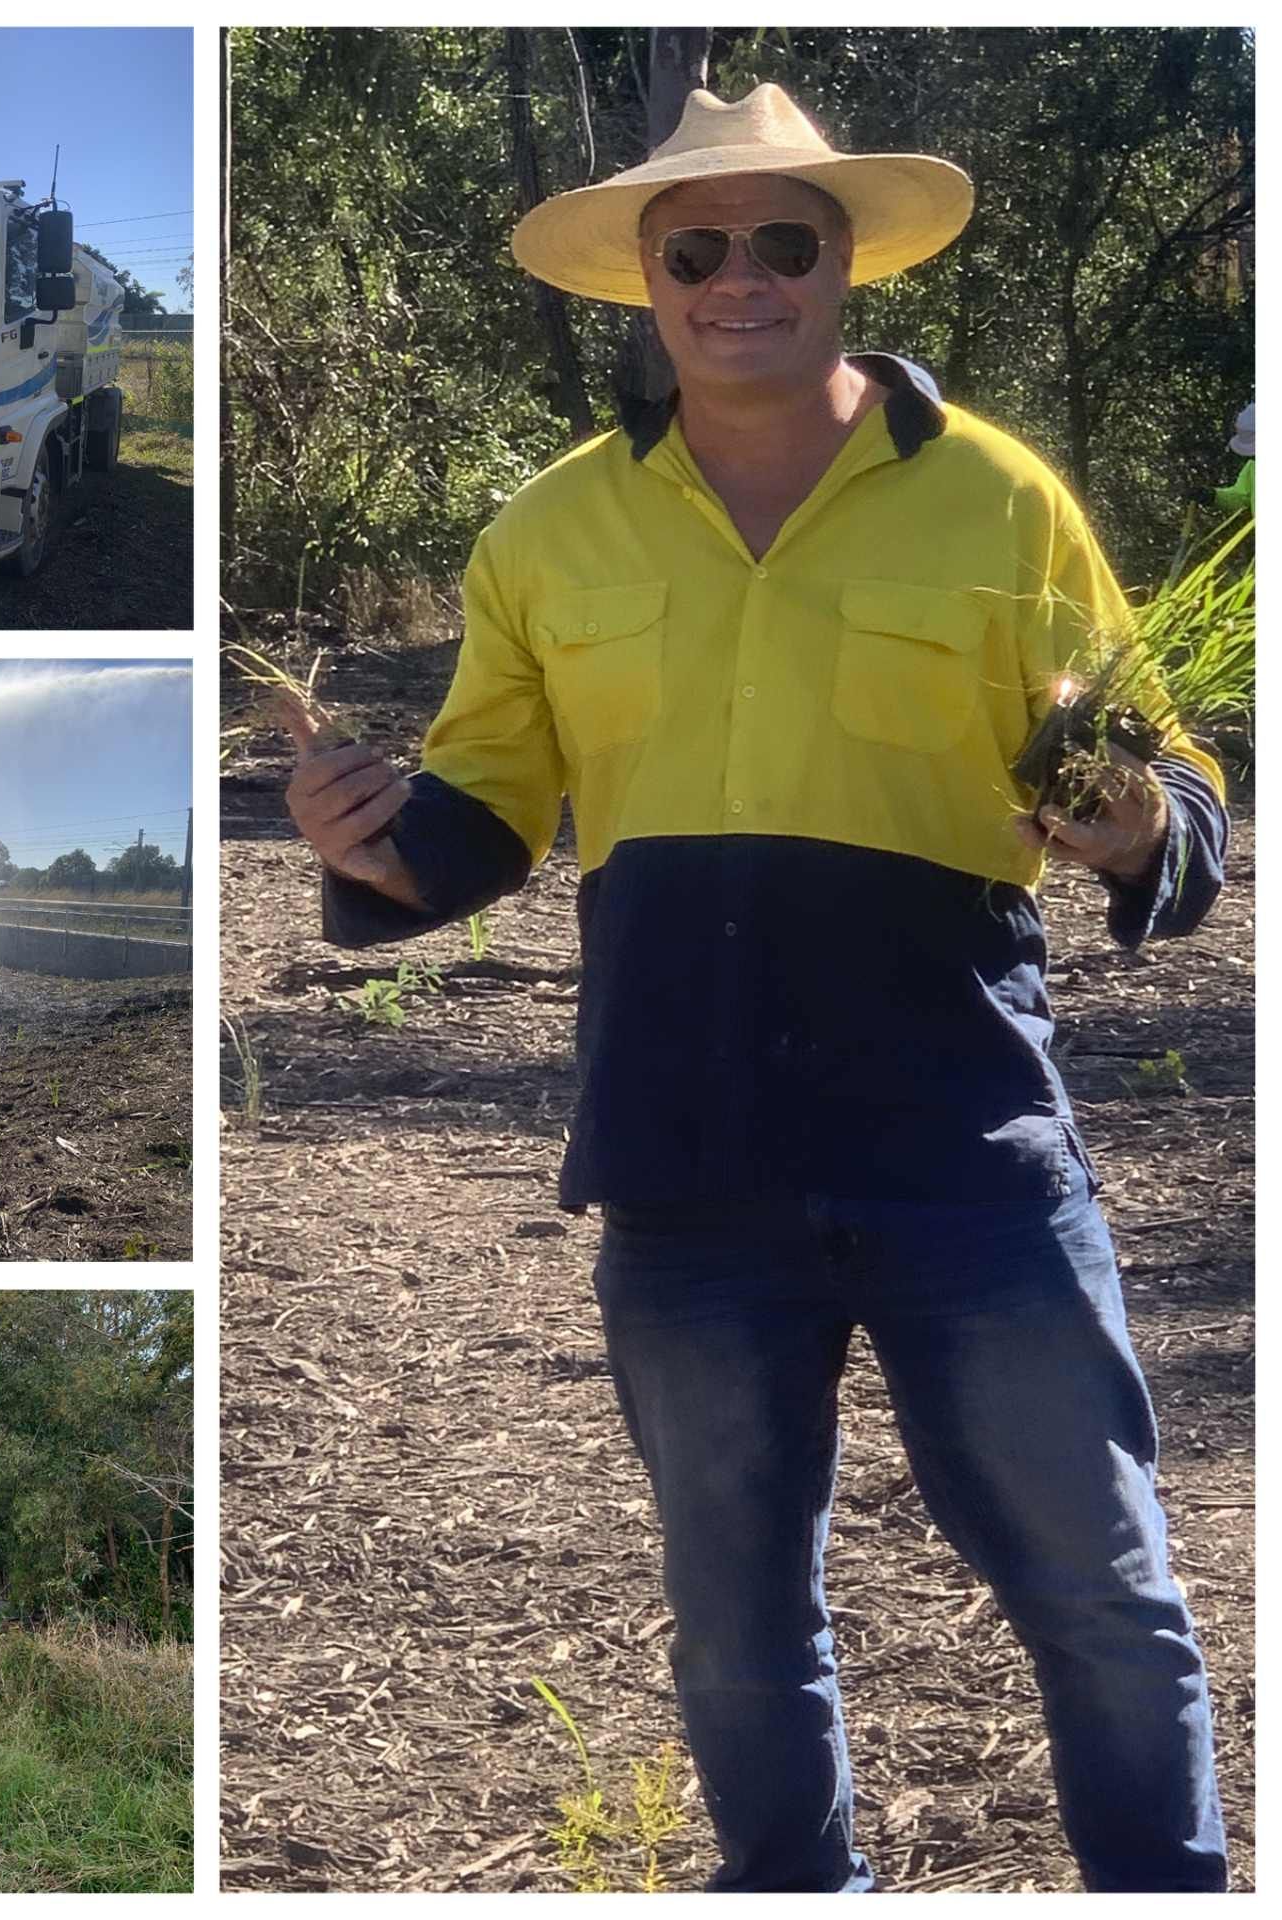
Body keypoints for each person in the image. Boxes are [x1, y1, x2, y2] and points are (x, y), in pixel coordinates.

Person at [282, 82, 1229, 1894]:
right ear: (646, 281)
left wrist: (1124, 826)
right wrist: (365, 840)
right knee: (737, 1634)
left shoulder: (1003, 500)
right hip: (688, 1167)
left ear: (846, 264)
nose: (739, 278)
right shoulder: (548, 537)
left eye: (781, 241)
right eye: (695, 247)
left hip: (967, 1154)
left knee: (1105, 1600)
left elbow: (1178, 795)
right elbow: (485, 814)